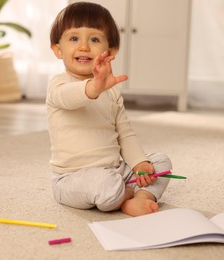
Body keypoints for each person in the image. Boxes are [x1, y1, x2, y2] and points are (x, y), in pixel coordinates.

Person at [46, 2, 172, 217]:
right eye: (74, 38)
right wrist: (95, 86)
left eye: (94, 39)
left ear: (111, 50)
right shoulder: (58, 85)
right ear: (58, 49)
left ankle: (141, 197)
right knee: (105, 185)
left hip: (116, 170)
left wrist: (140, 163)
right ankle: (126, 194)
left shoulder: (112, 93)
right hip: (72, 178)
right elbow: (69, 98)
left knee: (160, 163)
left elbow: (125, 134)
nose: (84, 47)